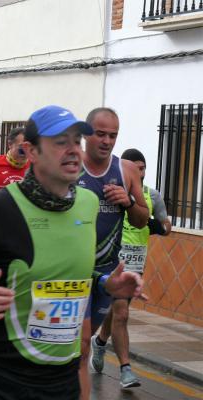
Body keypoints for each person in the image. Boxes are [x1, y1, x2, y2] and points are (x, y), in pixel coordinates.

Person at [0, 105, 145, 400]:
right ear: (31, 152)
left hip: (63, 378)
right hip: (3, 378)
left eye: (76, 141)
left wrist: (104, 282)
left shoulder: (87, 204)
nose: (72, 150)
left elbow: (64, 267)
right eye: (60, 142)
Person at [76, 107, 150, 399]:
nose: (107, 141)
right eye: (100, 134)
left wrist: (129, 201)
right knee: (80, 345)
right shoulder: (70, 165)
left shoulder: (126, 171)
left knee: (87, 338)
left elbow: (142, 219)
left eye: (113, 135)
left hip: (108, 273)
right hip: (75, 271)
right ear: (85, 133)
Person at [89, 148, 171, 388]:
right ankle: (126, 369)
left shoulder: (152, 195)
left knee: (114, 312)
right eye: (136, 168)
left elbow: (167, 225)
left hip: (136, 267)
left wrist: (158, 226)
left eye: (143, 168)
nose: (140, 172)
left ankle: (101, 342)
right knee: (122, 312)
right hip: (113, 264)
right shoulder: (112, 189)